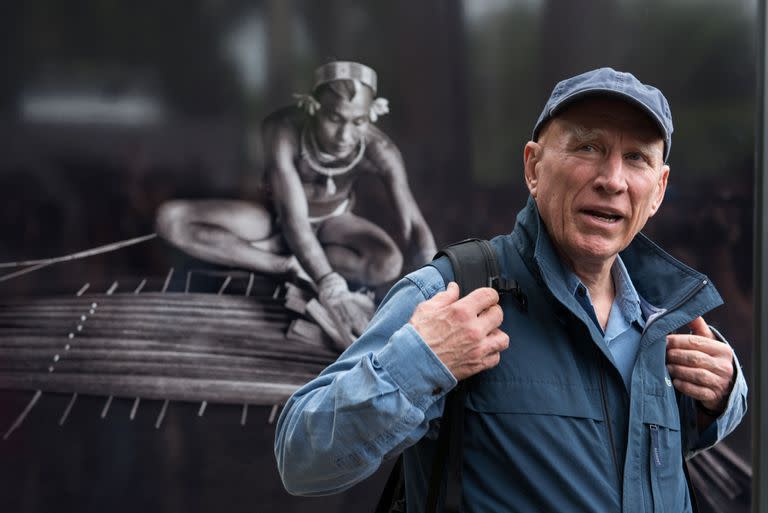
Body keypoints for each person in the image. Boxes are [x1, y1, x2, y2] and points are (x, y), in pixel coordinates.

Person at [273, 68, 748, 512]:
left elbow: (657, 444)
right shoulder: (453, 294)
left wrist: (724, 396)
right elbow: (301, 456)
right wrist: (419, 364)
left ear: (659, 190)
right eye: (587, 148)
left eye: (637, 158)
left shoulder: (666, 317)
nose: (612, 180)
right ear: (534, 167)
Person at [155, 61, 436, 345]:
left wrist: (434, 282)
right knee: (171, 220)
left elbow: (413, 225)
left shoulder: (380, 150)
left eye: (358, 122)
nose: (344, 135)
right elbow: (293, 220)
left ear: (371, 114)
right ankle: (283, 266)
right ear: (313, 107)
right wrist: (330, 284)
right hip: (272, 221)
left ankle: (303, 265)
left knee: (388, 263)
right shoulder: (283, 129)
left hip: (333, 225)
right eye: (335, 119)